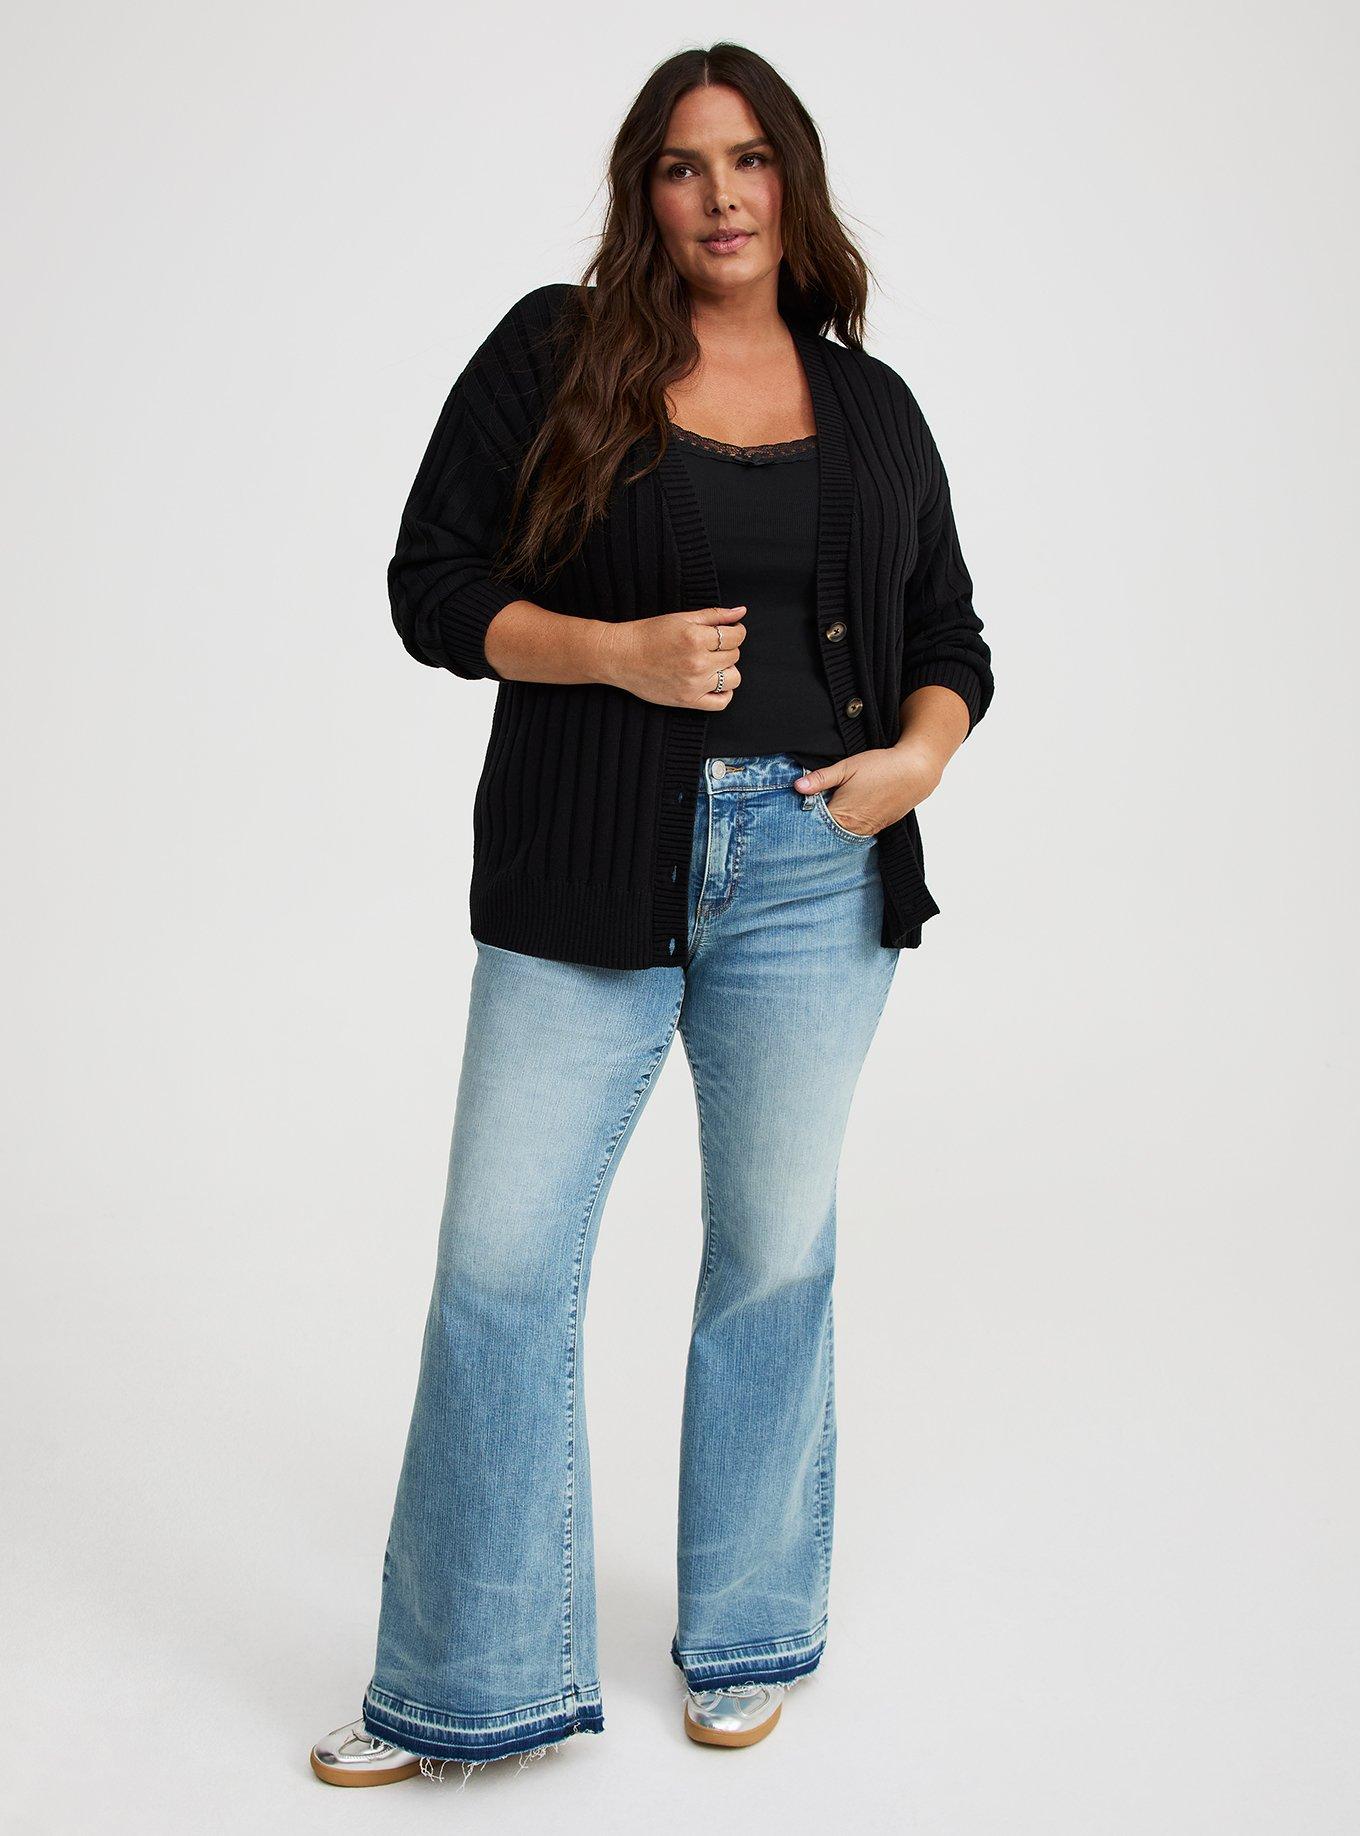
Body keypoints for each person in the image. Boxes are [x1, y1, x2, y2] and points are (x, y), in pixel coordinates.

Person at [309, 40, 993, 1788]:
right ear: (647, 192)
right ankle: (463, 1686)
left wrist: (918, 756)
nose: (721, 195)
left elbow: (950, 635)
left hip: (815, 869)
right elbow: (431, 585)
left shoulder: (872, 408)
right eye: (686, 165)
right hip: (588, 856)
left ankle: (750, 1627)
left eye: (750, 160)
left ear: (794, 183)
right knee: (499, 1264)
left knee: (772, 1252)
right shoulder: (558, 350)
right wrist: (610, 653)